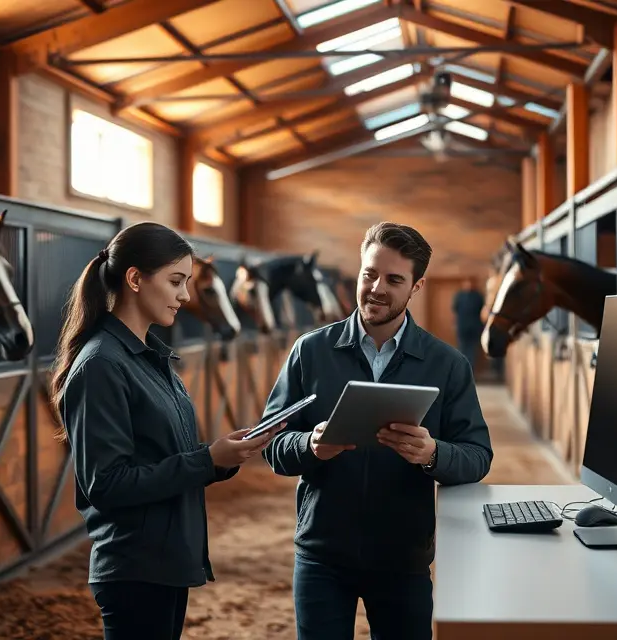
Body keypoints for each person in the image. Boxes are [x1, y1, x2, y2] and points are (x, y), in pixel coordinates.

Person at [261, 222, 494, 640]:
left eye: (394, 279)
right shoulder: (310, 351)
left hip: (402, 559)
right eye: (370, 274)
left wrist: (433, 453)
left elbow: (478, 455)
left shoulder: (448, 364)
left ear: (416, 286)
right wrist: (309, 445)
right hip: (321, 556)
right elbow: (272, 444)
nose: (376, 288)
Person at [50, 221, 281, 640]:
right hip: (135, 567)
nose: (186, 296)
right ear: (135, 278)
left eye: (188, 282)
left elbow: (166, 455)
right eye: (176, 281)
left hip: (167, 560)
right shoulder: (101, 364)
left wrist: (221, 457)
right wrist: (207, 459)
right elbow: (107, 483)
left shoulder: (150, 357)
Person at [452, 277, 485, 366]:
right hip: (462, 326)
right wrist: (455, 324)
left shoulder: (478, 296)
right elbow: (455, 310)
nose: (468, 285)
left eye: (470, 283)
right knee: (462, 348)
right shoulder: (459, 296)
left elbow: (482, 311)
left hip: (475, 326)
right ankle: (463, 368)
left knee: (472, 349)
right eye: (466, 283)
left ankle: (470, 369)